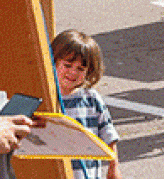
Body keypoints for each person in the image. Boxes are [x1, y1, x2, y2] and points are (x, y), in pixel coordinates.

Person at [51, 29, 120, 179]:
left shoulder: (90, 98)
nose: (73, 72)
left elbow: (109, 136)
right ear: (53, 61)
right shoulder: (47, 98)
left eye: (80, 69)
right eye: (67, 65)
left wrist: (114, 168)